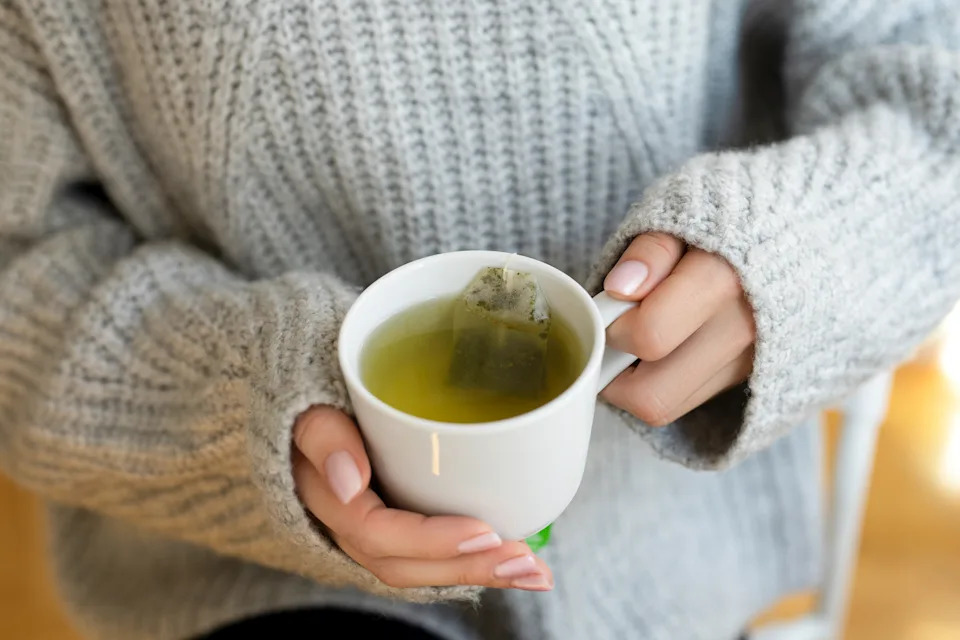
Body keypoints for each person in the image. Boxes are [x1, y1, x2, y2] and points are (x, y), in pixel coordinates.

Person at [1, 0, 958, 638]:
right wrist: (238, 402)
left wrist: (787, 250)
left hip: (672, 564)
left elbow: (931, 76)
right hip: (259, 579)